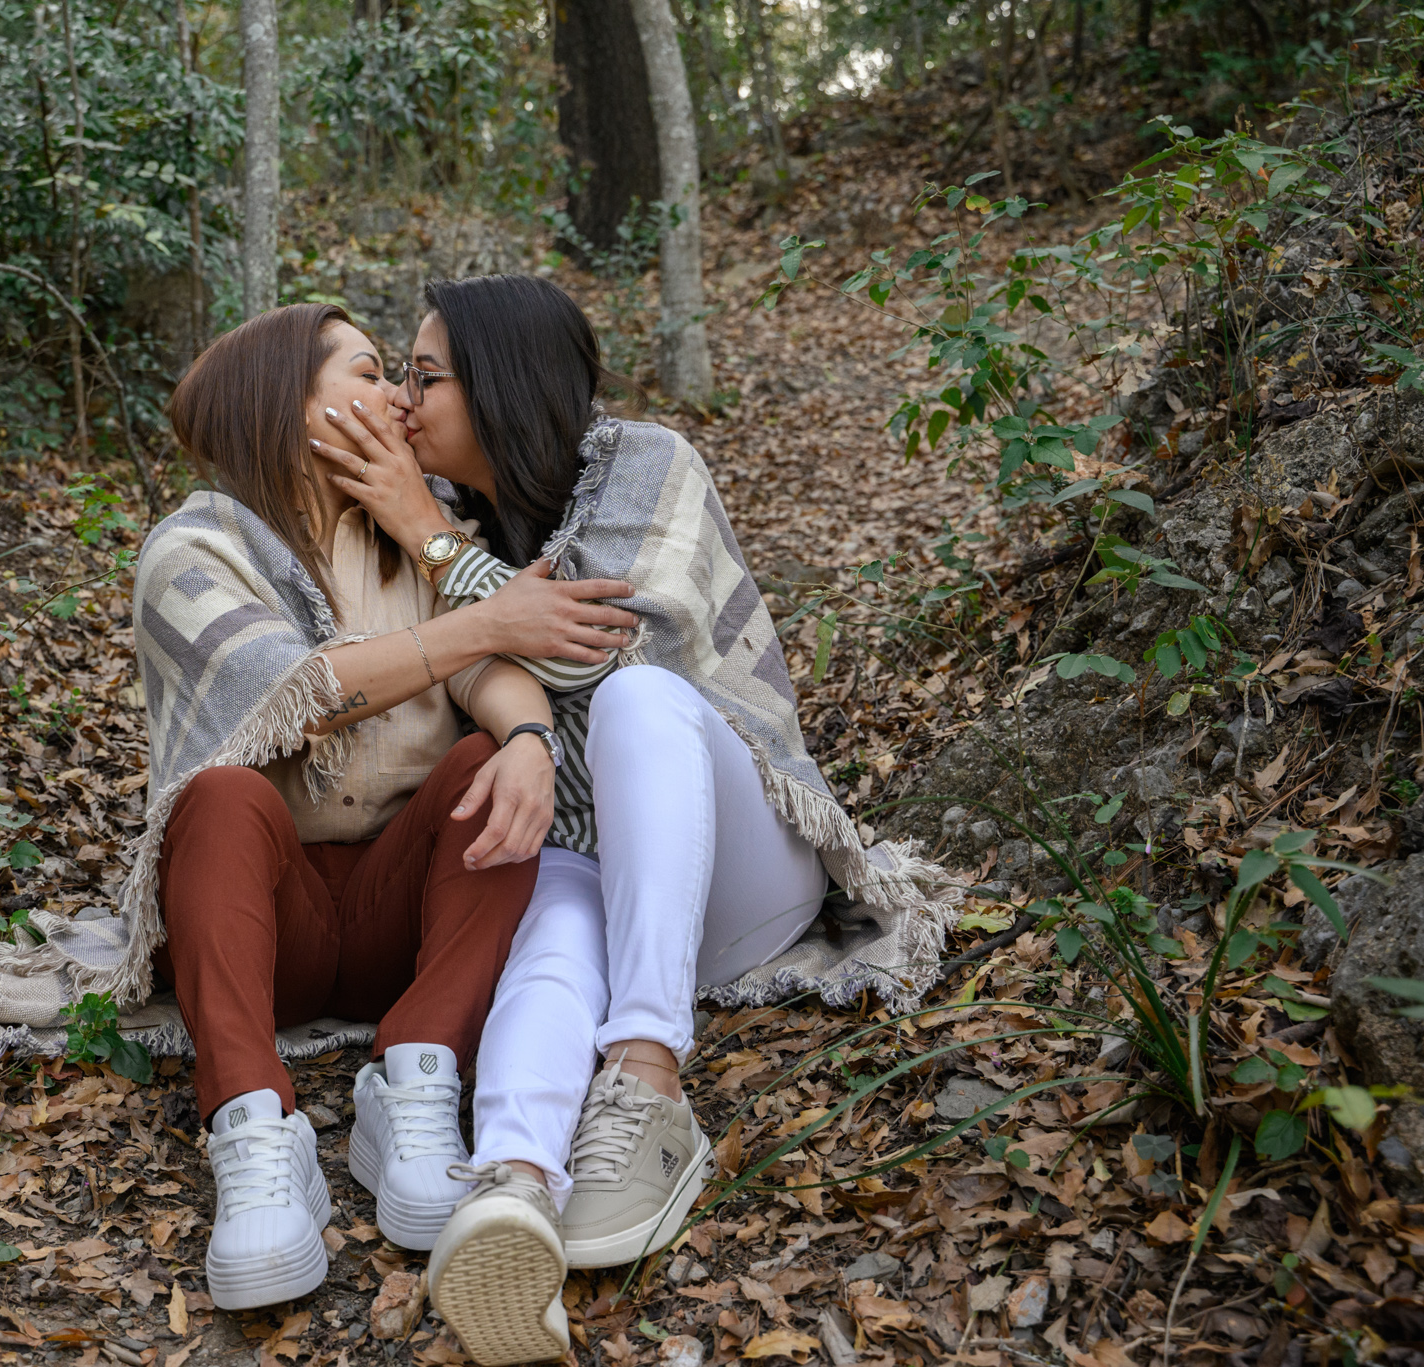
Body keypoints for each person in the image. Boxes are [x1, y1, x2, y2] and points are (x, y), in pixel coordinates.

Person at [313, 275, 960, 1363]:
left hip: (739, 872)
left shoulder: (644, 462)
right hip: (592, 869)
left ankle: (649, 1072)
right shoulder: (445, 520)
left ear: (503, 385)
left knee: (637, 700)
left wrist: (425, 533)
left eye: (424, 377)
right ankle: (513, 1187)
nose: (403, 404)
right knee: (547, 918)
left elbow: (609, 649)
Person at [137, 302, 645, 1313]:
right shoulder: (192, 549)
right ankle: (251, 1129)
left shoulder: (413, 539)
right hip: (259, 923)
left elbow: (490, 671)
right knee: (223, 795)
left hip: (396, 920)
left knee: (482, 760)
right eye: (369, 373)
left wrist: (529, 737)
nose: (398, 399)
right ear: (289, 404)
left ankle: (416, 1080)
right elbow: (295, 692)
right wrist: (486, 621)